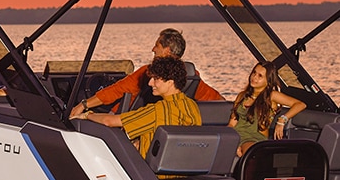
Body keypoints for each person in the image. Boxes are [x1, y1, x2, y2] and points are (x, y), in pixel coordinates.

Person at [69, 27, 222, 116]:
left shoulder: (148, 74)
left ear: (167, 51)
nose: (153, 49)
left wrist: (83, 105)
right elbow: (216, 100)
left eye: (157, 46)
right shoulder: (191, 77)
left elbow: (116, 90)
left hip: (134, 123)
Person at [79, 56, 200, 156]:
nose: (150, 83)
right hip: (181, 170)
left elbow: (108, 121)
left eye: (156, 79)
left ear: (170, 82)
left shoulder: (157, 111)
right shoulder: (192, 107)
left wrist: (87, 115)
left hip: (153, 174)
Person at [229, 59, 307, 157]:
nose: (254, 77)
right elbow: (232, 124)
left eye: (260, 76)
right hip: (235, 135)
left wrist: (282, 120)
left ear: (268, 80)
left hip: (253, 138)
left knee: (250, 153)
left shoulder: (271, 96)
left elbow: (300, 104)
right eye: (254, 73)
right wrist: (229, 140)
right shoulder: (242, 96)